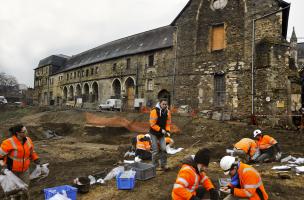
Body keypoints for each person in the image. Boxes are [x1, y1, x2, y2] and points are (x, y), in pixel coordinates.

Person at [0, 124, 40, 199]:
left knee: (25, 189)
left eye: (26, 130)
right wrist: (2, 166)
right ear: (18, 133)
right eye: (24, 131)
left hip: (25, 170)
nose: (26, 132)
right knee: (14, 191)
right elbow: (0, 157)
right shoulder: (8, 143)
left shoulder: (28, 140)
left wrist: (35, 158)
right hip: (12, 171)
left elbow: (31, 151)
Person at [149, 98, 171, 171]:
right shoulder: (154, 111)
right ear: (160, 103)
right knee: (155, 150)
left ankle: (163, 165)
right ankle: (154, 166)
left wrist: (167, 130)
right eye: (163, 104)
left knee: (164, 149)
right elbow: (152, 124)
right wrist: (161, 130)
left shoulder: (167, 112)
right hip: (154, 133)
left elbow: (168, 123)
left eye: (166, 104)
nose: (164, 105)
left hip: (162, 133)